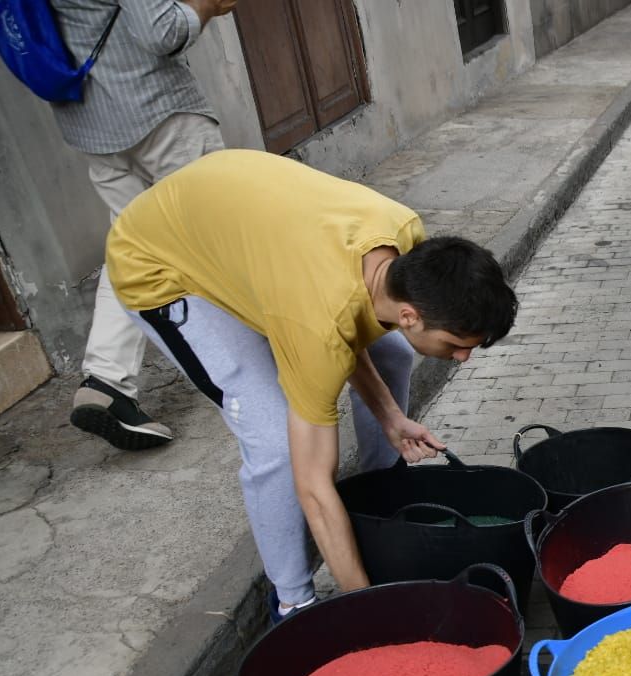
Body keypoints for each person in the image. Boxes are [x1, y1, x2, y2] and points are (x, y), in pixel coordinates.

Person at [106, 149, 519, 621]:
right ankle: (292, 600)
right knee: (276, 444)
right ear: (410, 314)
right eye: (456, 345)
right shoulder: (316, 324)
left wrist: (390, 417)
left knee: (392, 352)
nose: (463, 359)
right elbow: (314, 489)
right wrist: (370, 604)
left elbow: (348, 322)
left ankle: (379, 500)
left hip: (234, 224)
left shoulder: (406, 236)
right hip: (160, 261)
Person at [50, 0, 237, 450]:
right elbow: (162, 30)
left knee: (130, 249)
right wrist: (209, 6)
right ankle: (262, 366)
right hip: (158, 113)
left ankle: (106, 381)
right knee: (222, 237)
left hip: (89, 121)